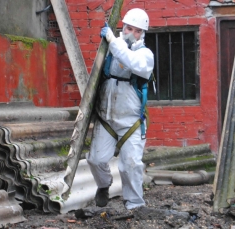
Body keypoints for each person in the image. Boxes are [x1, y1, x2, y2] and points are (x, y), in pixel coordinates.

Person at [86, 8, 154, 210]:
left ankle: (134, 205)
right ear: (122, 27)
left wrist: (112, 40)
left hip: (130, 121)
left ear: (143, 33)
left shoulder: (145, 55)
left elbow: (130, 62)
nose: (131, 33)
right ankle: (104, 185)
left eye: (137, 30)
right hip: (106, 118)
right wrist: (110, 42)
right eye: (128, 28)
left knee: (131, 165)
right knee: (95, 160)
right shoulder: (111, 48)